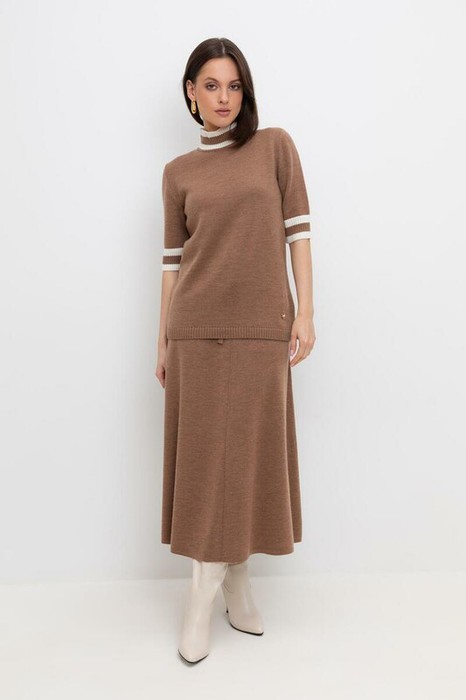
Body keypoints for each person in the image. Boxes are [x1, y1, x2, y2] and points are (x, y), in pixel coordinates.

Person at [155, 37, 316, 664]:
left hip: (261, 328)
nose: (224, 97)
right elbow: (172, 264)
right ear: (191, 93)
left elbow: (298, 232)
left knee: (249, 457)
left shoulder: (274, 146)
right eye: (211, 85)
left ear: (244, 92)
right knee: (204, 463)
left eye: (234, 86)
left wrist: (306, 311)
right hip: (195, 329)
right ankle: (208, 590)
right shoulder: (178, 173)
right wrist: (162, 338)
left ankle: (233, 579)